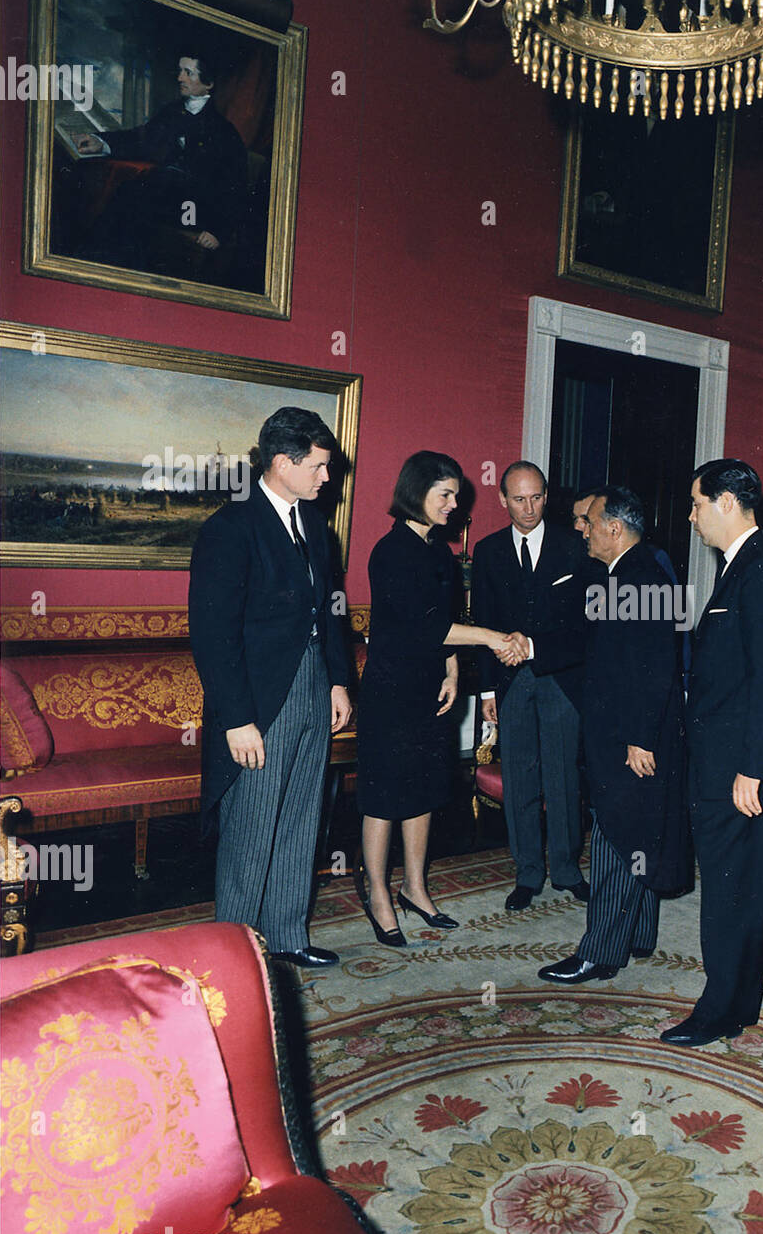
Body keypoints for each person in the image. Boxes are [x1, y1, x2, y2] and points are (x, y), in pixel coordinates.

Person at [188, 407, 351, 967]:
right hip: (258, 699)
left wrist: (336, 681)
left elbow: (332, 614)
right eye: (321, 467)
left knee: (303, 817)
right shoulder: (230, 528)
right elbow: (213, 636)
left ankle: (286, 936)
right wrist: (236, 718)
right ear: (284, 462)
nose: (327, 478)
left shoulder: (317, 529)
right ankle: (234, 957)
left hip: (312, 685)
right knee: (251, 830)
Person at [662, 459, 763, 1048]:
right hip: (722, 753)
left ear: (727, 503)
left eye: (697, 503)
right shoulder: (739, 566)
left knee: (728, 888)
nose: (692, 516)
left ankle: (724, 1009)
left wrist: (754, 766)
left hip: (745, 762)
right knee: (743, 875)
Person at [357, 452, 528, 946]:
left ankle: (414, 886)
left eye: (456, 495)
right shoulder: (390, 552)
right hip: (392, 690)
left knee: (424, 787)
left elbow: (448, 616)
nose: (455, 505)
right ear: (416, 491)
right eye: (446, 495)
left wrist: (453, 669)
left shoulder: (438, 551)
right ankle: (378, 893)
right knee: (385, 794)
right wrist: (495, 638)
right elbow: (424, 625)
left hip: (431, 687)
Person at [539, 487, 689, 983]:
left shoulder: (639, 577)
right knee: (640, 828)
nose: (582, 529)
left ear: (614, 529)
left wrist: (640, 738)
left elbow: (655, 669)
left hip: (632, 738)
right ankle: (639, 934)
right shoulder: (628, 572)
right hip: (626, 732)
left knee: (615, 834)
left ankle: (598, 952)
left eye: (590, 522)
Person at [470, 462, 591, 910]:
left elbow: (585, 623)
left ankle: (565, 869)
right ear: (502, 500)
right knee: (520, 778)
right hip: (509, 682)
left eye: (536, 497)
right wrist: (486, 692)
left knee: (562, 776)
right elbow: (482, 623)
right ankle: (527, 873)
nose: (529, 507)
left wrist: (535, 646)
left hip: (560, 679)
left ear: (547, 495)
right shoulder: (487, 551)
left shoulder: (574, 546)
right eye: (518, 499)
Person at [74, 53, 248, 273]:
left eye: (188, 73)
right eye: (180, 71)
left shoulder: (224, 131)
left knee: (136, 203)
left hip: (195, 209)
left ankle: (106, 267)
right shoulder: (173, 112)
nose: (180, 78)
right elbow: (141, 138)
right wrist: (101, 142)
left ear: (209, 83)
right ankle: (95, 264)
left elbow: (235, 186)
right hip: (166, 194)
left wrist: (217, 231)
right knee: (129, 193)